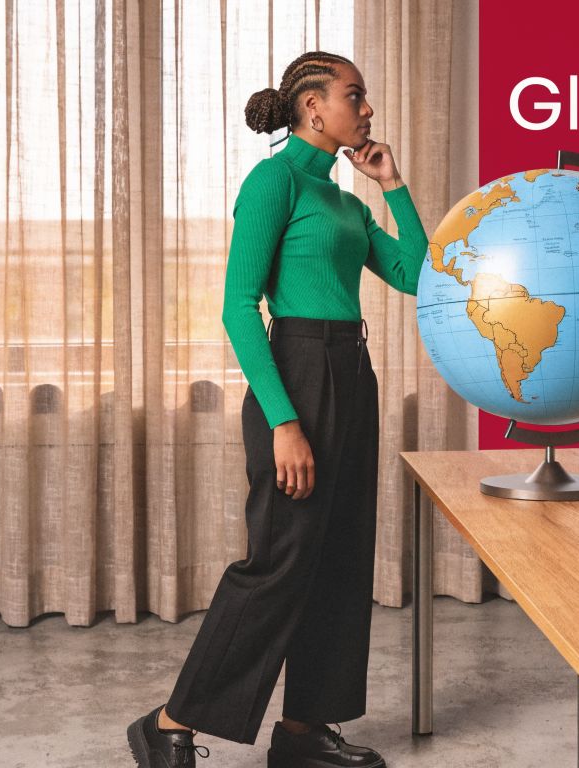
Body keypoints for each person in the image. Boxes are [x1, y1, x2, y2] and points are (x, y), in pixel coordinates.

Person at [126, 50, 427, 768]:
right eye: (355, 95)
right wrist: (285, 421)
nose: (368, 108)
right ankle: (169, 722)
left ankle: (303, 732)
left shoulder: (348, 201)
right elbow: (238, 306)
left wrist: (393, 185)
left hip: (352, 372)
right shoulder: (274, 180)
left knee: (343, 557)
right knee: (280, 561)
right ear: (313, 108)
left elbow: (420, 275)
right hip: (295, 372)